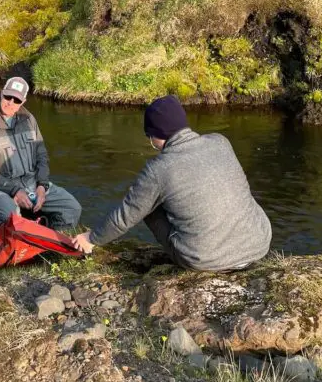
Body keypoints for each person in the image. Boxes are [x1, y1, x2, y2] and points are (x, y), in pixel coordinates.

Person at [73, 95, 271, 271]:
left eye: (150, 136)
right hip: (258, 244)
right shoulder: (221, 142)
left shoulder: (158, 169)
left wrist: (91, 238)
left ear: (155, 135)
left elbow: (125, 217)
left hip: (207, 259)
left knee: (146, 206)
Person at [0, 73, 82, 230]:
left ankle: (53, 246)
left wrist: (42, 185)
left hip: (32, 183)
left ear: (23, 101)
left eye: (17, 100)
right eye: (8, 97)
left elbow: (41, 156)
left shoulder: (29, 120)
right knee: (14, 219)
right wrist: (14, 189)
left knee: (71, 207)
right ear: (2, 92)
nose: (10, 103)